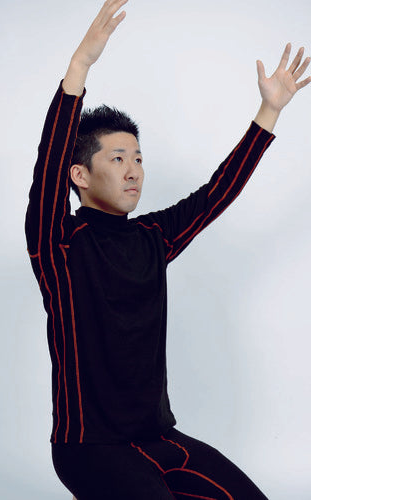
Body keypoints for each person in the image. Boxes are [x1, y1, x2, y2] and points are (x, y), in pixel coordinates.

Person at [25, 0, 310, 498]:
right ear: (80, 175)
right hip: (89, 448)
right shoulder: (59, 244)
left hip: (158, 439)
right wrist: (80, 66)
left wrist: (269, 111)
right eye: (118, 158)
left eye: (138, 158)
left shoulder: (152, 237)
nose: (133, 170)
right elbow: (48, 167)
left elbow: (215, 195)